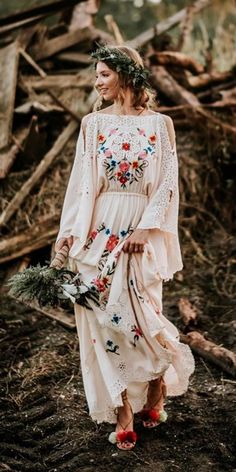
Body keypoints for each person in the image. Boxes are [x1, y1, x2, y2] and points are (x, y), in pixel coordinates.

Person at [55, 45, 195, 451]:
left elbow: (168, 184)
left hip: (142, 231)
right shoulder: (92, 125)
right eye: (95, 75)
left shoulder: (159, 125)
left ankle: (155, 386)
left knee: (143, 316)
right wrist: (70, 233)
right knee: (103, 318)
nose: (96, 82)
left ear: (125, 75)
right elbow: (82, 184)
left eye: (102, 74)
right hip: (100, 230)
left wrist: (145, 229)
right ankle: (121, 410)